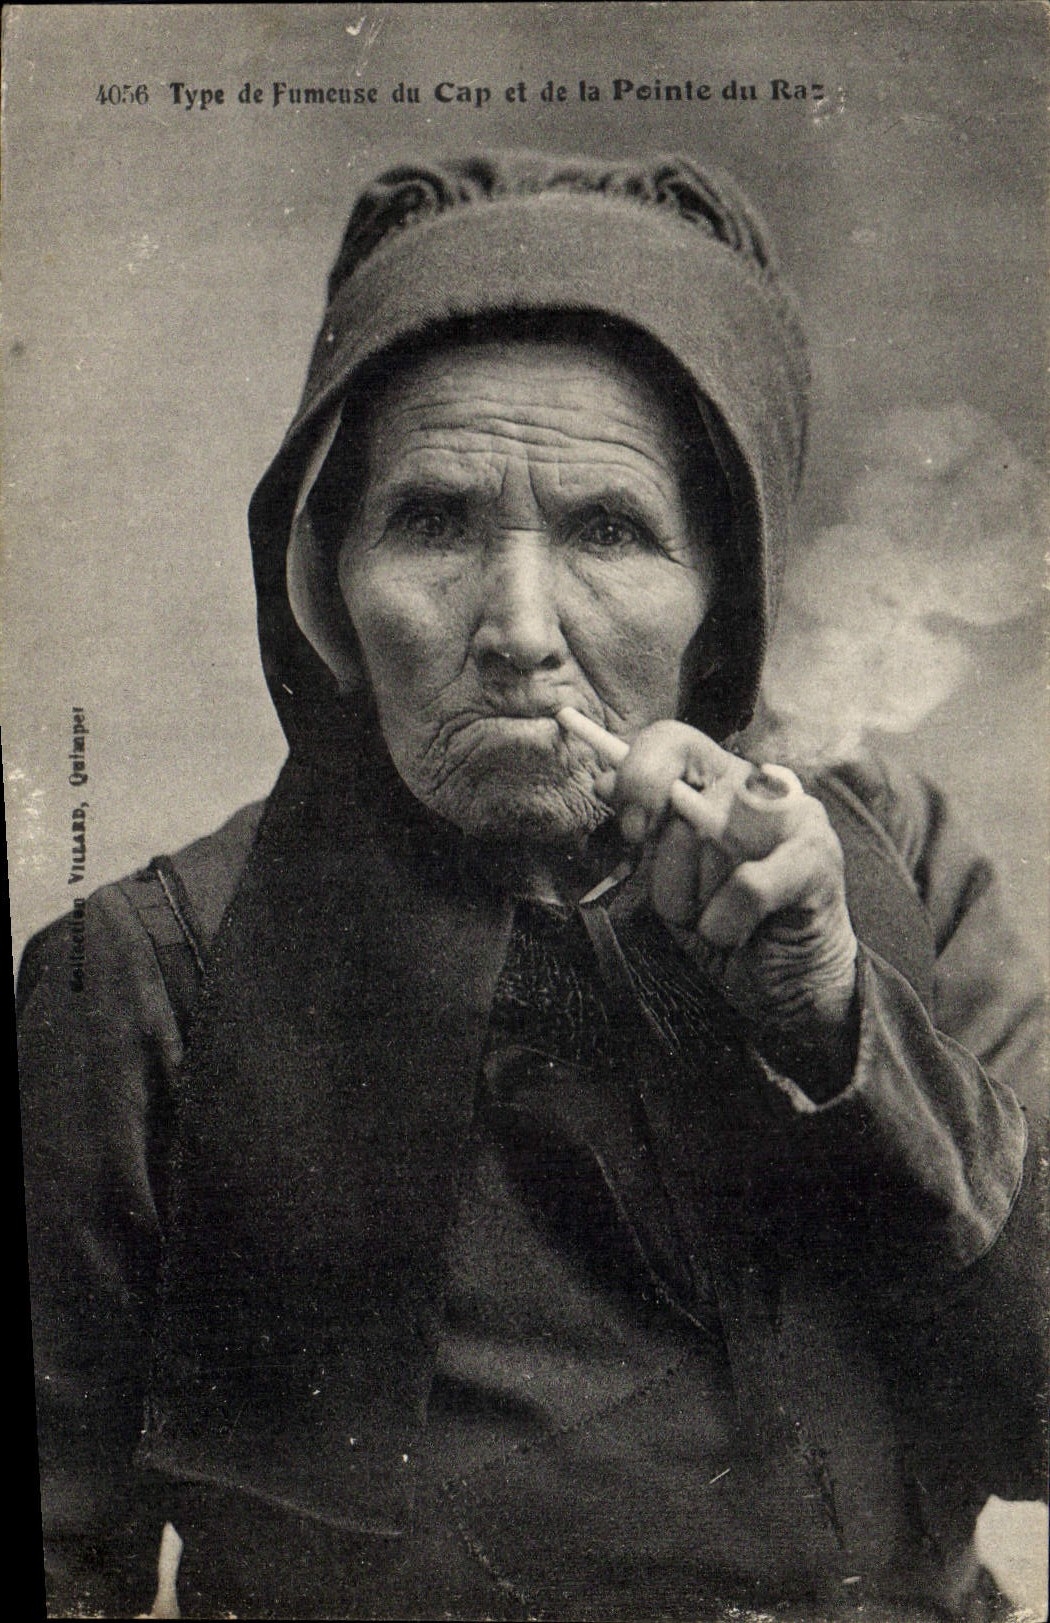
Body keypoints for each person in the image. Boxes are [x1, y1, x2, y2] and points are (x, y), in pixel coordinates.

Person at [18, 151, 1046, 1621]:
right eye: (431, 521)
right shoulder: (143, 974)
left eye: (609, 533)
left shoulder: (900, 876)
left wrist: (832, 1017)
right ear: (328, 579)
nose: (515, 628)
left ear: (720, 600)